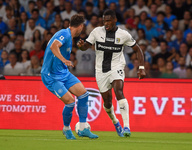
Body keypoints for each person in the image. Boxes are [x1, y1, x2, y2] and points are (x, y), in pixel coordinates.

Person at [77, 9, 146, 137]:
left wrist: (141, 67)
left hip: (117, 66)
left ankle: (127, 127)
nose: (106, 23)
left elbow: (138, 50)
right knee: (107, 103)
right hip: (100, 71)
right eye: (104, 20)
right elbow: (86, 46)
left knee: (119, 90)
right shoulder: (97, 32)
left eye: (109, 20)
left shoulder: (123, 34)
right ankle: (116, 122)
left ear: (115, 20)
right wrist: (81, 46)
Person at [41, 14, 98, 140]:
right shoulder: (65, 34)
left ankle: (83, 128)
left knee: (84, 94)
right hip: (51, 76)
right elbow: (53, 46)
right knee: (70, 101)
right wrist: (64, 60)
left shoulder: (69, 36)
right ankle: (66, 129)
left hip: (63, 73)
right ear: (81, 26)